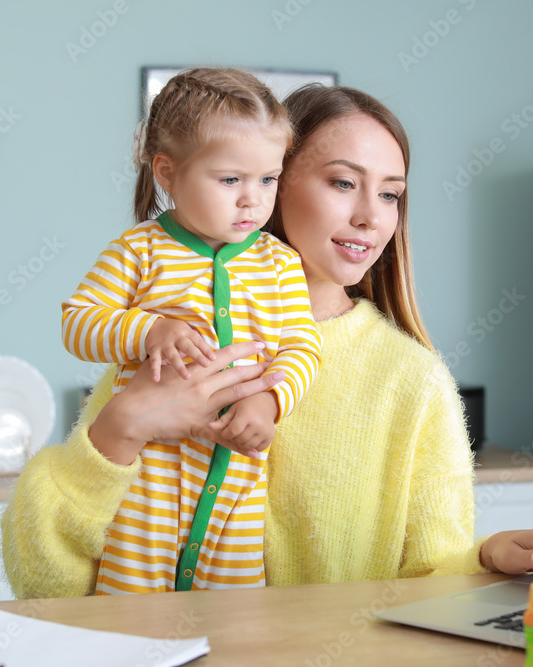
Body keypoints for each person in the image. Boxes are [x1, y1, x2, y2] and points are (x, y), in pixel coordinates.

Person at [0, 83, 533, 600]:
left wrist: (484, 558)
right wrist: (117, 429)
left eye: (390, 194)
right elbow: (44, 585)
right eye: (342, 182)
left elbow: (430, 577)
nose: (370, 217)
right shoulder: (174, 337)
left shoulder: (413, 379)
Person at [59, 68, 322, 595]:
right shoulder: (140, 250)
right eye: (231, 180)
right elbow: (78, 320)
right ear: (167, 173)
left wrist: (270, 401)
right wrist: (149, 329)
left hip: (237, 480)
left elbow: (302, 346)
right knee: (129, 621)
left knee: (235, 626)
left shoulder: (280, 264)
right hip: (147, 480)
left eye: (268, 180)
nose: (253, 199)